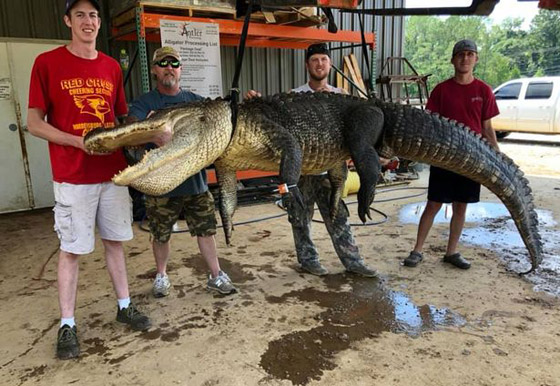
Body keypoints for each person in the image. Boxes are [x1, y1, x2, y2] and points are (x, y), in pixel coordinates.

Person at [27, 0, 151, 360]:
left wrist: (147, 134)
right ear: (67, 21)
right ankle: (67, 324)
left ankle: (124, 306)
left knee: (115, 242)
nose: (88, 21)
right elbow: (34, 123)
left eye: (94, 15)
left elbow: (121, 118)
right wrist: (76, 141)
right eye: (80, 15)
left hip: (111, 175)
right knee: (72, 250)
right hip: (73, 176)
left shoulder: (112, 67)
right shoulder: (47, 63)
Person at [246, 43, 377, 278]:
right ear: (307, 65)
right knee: (298, 217)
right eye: (315, 60)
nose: (319, 64)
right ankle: (308, 260)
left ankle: (353, 261)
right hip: (302, 171)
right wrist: (257, 101)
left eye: (324, 60)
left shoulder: (342, 97)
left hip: (331, 171)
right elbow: (273, 118)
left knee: (339, 218)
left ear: (329, 64)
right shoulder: (295, 96)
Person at [126, 46, 237, 297]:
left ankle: (216, 275)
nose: (169, 68)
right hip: (161, 184)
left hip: (195, 183)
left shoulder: (196, 100)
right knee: (161, 234)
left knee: (207, 230)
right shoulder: (145, 103)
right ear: (154, 70)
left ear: (181, 69)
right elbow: (131, 130)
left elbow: (220, 123)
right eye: (163, 63)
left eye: (174, 64)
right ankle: (162, 275)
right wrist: (152, 131)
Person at [403, 39, 500, 270]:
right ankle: (417, 250)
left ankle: (451, 252)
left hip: (472, 160)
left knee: (461, 206)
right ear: (453, 60)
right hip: (445, 158)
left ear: (475, 59)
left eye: (469, 54)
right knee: (433, 204)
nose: (465, 59)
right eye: (460, 55)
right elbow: (431, 125)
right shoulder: (442, 90)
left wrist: (497, 154)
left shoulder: (483, 90)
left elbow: (486, 128)